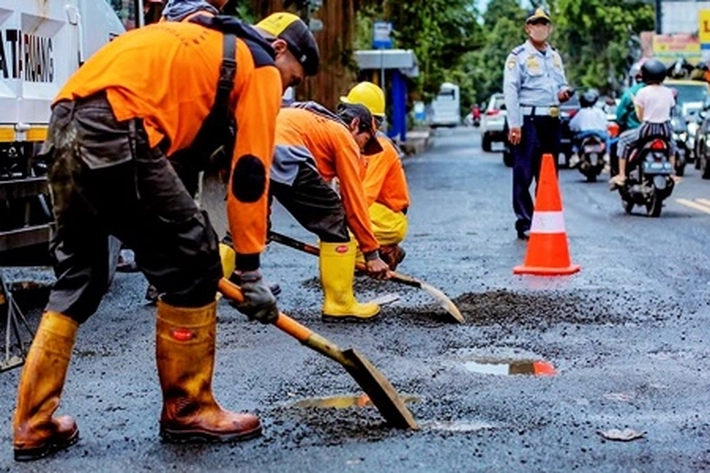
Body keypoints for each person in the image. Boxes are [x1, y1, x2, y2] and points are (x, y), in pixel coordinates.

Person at [11, 12, 319, 461]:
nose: (285, 90)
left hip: (64, 126)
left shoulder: (195, 45)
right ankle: (189, 408)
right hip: (118, 128)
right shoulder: (260, 65)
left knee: (83, 273)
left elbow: (175, 168)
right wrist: (250, 269)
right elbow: (251, 172)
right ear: (281, 50)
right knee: (196, 260)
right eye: (293, 79)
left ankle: (32, 423)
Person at [268, 101, 390, 322]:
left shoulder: (315, 125)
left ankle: (209, 294)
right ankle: (340, 303)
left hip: (250, 145)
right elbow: (353, 199)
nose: (362, 149)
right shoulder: (342, 136)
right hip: (283, 151)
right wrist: (371, 254)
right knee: (333, 218)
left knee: (243, 227)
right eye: (365, 140)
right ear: (355, 124)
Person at [503, 8, 573, 240]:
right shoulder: (518, 56)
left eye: (545, 24)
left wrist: (564, 93)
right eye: (536, 24)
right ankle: (525, 222)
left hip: (552, 119)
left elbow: (561, 84)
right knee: (523, 172)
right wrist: (515, 124)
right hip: (528, 120)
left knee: (549, 173)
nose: (541, 28)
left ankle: (545, 219)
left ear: (549, 28)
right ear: (528, 28)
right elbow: (510, 91)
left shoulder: (555, 56)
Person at [340, 81, 411, 270]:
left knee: (341, 239)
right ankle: (383, 250)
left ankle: (383, 254)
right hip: (377, 213)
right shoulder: (357, 145)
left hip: (388, 218)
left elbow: (363, 198)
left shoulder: (380, 149)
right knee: (334, 236)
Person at [610, 58, 677, 189]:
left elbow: (640, 115)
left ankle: (622, 175)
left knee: (623, 141)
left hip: (647, 128)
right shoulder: (668, 92)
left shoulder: (641, 92)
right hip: (666, 129)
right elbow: (671, 108)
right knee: (672, 146)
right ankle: (672, 173)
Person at [568, 89, 610, 167]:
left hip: (584, 134)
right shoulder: (599, 111)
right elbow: (606, 124)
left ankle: (575, 154)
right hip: (599, 133)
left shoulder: (581, 112)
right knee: (607, 138)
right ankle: (607, 154)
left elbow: (572, 125)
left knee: (575, 140)